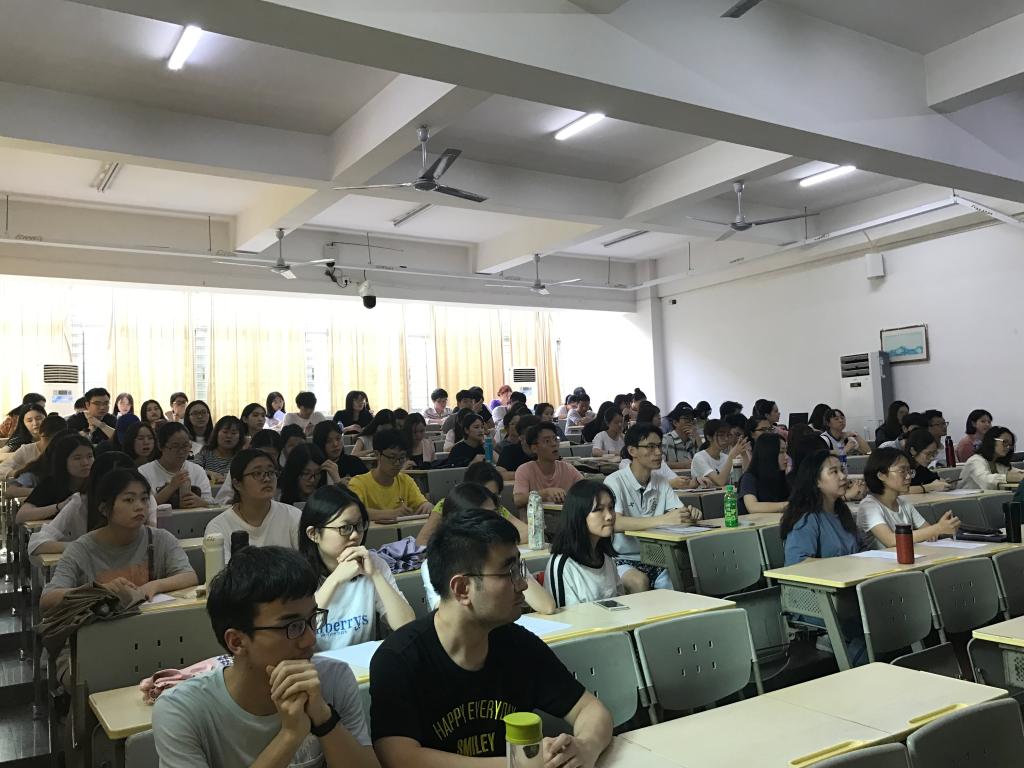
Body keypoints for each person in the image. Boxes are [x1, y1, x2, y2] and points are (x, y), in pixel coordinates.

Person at [369, 509, 613, 767]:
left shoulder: (518, 645)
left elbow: (590, 709)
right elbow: (400, 758)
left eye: (520, 569)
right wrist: (516, 764)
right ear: (462, 589)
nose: (523, 584)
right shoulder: (399, 658)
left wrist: (586, 746)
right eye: (509, 573)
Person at [152, 545, 377, 768]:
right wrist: (290, 735)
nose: (310, 639)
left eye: (312, 619)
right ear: (237, 642)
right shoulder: (182, 710)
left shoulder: (334, 679)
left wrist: (324, 720)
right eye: (293, 626)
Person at [39, 468, 196, 613]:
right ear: (104, 508)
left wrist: (154, 585)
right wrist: (100, 590)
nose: (140, 506)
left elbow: (189, 576)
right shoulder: (81, 549)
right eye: (129, 500)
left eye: (144, 499)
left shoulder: (161, 539)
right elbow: (47, 599)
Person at [299, 484, 415, 649]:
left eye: (359, 525)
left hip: (361, 664)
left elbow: (406, 626)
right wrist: (335, 580)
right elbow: (299, 632)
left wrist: (375, 575)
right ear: (314, 534)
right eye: (345, 528)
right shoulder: (297, 573)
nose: (355, 535)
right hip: (314, 664)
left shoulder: (373, 564)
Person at [780, 450, 867, 666]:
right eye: (834, 472)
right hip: (814, 598)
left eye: (842, 470)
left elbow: (861, 550)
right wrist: (844, 566)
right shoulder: (807, 518)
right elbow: (797, 563)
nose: (843, 476)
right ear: (816, 481)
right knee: (874, 622)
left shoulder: (842, 513)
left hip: (847, 592)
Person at [419, 485, 551, 613]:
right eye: (484, 517)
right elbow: (449, 615)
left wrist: (514, 572)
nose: (495, 522)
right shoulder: (439, 563)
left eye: (495, 514)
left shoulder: (504, 555)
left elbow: (547, 606)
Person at [604, 423, 700, 592]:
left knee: (679, 582)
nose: (658, 452)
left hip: (658, 559)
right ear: (632, 451)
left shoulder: (661, 481)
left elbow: (677, 514)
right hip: (621, 559)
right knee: (639, 582)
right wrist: (663, 520)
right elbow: (615, 522)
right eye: (650, 447)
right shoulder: (614, 481)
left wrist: (689, 515)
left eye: (659, 446)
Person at [28, 450, 157, 555]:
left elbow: (154, 536)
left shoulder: (144, 499)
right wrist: (86, 546)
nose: (138, 504)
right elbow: (37, 544)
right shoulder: (80, 502)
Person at [205, 448, 303, 562]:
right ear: (237, 484)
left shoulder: (294, 516)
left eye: (271, 472)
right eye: (257, 473)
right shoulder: (218, 527)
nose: (267, 479)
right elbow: (222, 571)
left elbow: (308, 564)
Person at [857, 448, 960, 550]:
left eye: (909, 471)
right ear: (881, 475)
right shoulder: (869, 506)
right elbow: (891, 541)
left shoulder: (903, 503)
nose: (908, 476)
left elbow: (929, 531)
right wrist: (937, 528)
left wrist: (945, 528)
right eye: (902, 471)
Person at [546, 480, 622, 607]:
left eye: (611, 508)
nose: (609, 516)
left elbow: (621, 603)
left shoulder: (607, 559)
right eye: (599, 509)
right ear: (579, 514)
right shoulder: (563, 565)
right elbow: (565, 616)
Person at [416, 462, 527, 547]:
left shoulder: (495, 507)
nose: (489, 499)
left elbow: (528, 533)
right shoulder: (447, 505)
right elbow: (421, 543)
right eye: (484, 493)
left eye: (494, 495)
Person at [348, 431, 434, 523]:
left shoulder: (406, 481)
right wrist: (391, 513)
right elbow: (353, 512)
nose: (397, 463)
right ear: (377, 454)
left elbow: (421, 503)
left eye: (402, 457)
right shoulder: (358, 483)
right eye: (392, 457)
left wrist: (426, 505)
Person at [16, 433, 94, 524]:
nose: (85, 463)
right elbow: (21, 516)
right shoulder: (51, 483)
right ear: (63, 461)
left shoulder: (100, 481)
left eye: (90, 456)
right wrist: (60, 506)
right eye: (77, 458)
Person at [139, 422, 214, 509]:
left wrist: (201, 502)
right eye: (175, 447)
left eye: (185, 446)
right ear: (160, 446)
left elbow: (212, 503)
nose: (181, 451)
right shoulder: (144, 472)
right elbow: (143, 506)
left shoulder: (198, 471)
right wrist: (171, 487)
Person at [513, 422, 583, 507]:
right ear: (534, 448)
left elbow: (587, 489)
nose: (554, 444)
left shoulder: (567, 468)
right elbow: (518, 500)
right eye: (547, 441)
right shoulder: (525, 470)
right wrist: (545, 493)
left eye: (555, 439)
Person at [215, 429, 285, 505]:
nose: (266, 459)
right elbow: (222, 500)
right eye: (262, 453)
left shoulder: (283, 471)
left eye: (272, 455)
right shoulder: (241, 467)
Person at [0, 413, 66, 479]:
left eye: (56, 439)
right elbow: (2, 469)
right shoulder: (27, 450)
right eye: (46, 438)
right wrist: (20, 473)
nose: (50, 443)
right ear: (40, 434)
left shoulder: (67, 451)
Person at [959, 426, 1024, 490]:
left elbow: (1016, 473)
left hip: (993, 496)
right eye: (1005, 442)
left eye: (1010, 445)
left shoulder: (999, 463)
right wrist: (1010, 477)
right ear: (992, 440)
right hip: (967, 496)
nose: (1008, 447)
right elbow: (986, 482)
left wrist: (1018, 475)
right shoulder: (975, 461)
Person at [739, 433, 789, 515]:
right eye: (781, 452)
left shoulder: (783, 476)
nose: (786, 457)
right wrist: (788, 505)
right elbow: (753, 507)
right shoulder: (749, 478)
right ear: (768, 453)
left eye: (786, 451)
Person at [690, 419, 748, 488]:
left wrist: (744, 454)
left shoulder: (725, 457)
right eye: (721, 435)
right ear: (709, 437)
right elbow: (720, 481)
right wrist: (732, 455)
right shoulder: (699, 457)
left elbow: (746, 476)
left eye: (728, 435)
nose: (726, 439)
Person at [195, 415, 245, 485]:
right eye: (225, 432)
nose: (229, 436)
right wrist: (209, 473)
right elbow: (193, 468)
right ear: (216, 433)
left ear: (240, 436)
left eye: (233, 433)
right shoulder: (206, 452)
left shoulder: (241, 456)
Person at [904, 429, 951, 493]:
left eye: (934, 454)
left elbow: (934, 479)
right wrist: (931, 487)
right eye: (928, 454)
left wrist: (945, 483)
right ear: (913, 451)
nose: (931, 458)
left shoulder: (921, 468)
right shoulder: (902, 467)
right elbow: (902, 490)